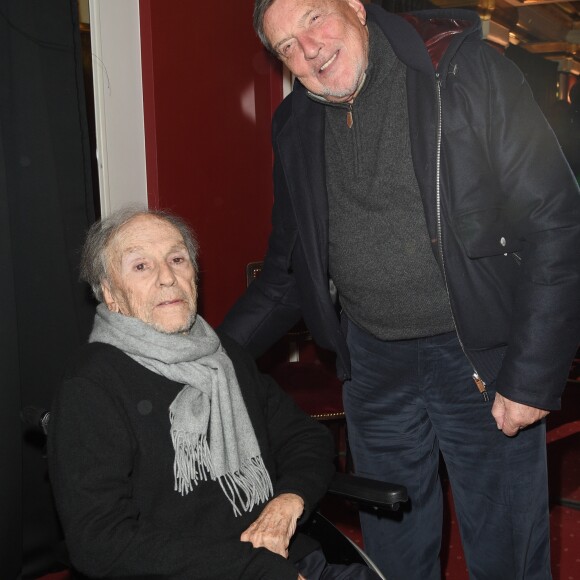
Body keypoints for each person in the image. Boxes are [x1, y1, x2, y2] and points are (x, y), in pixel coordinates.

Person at [220, 1, 580, 578]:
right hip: (373, 368)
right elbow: (287, 271)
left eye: (314, 18)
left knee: (508, 553)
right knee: (394, 557)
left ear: (357, 7)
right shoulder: (293, 125)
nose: (307, 49)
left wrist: (532, 373)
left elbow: (557, 222)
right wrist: (206, 358)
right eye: (285, 45)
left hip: (480, 359)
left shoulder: (463, 75)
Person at [47, 207, 380, 580]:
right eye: (141, 266)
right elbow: (100, 542)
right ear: (111, 294)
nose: (168, 278)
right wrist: (255, 570)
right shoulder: (91, 385)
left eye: (177, 259)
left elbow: (306, 438)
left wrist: (288, 500)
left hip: (290, 559)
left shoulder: (224, 355)